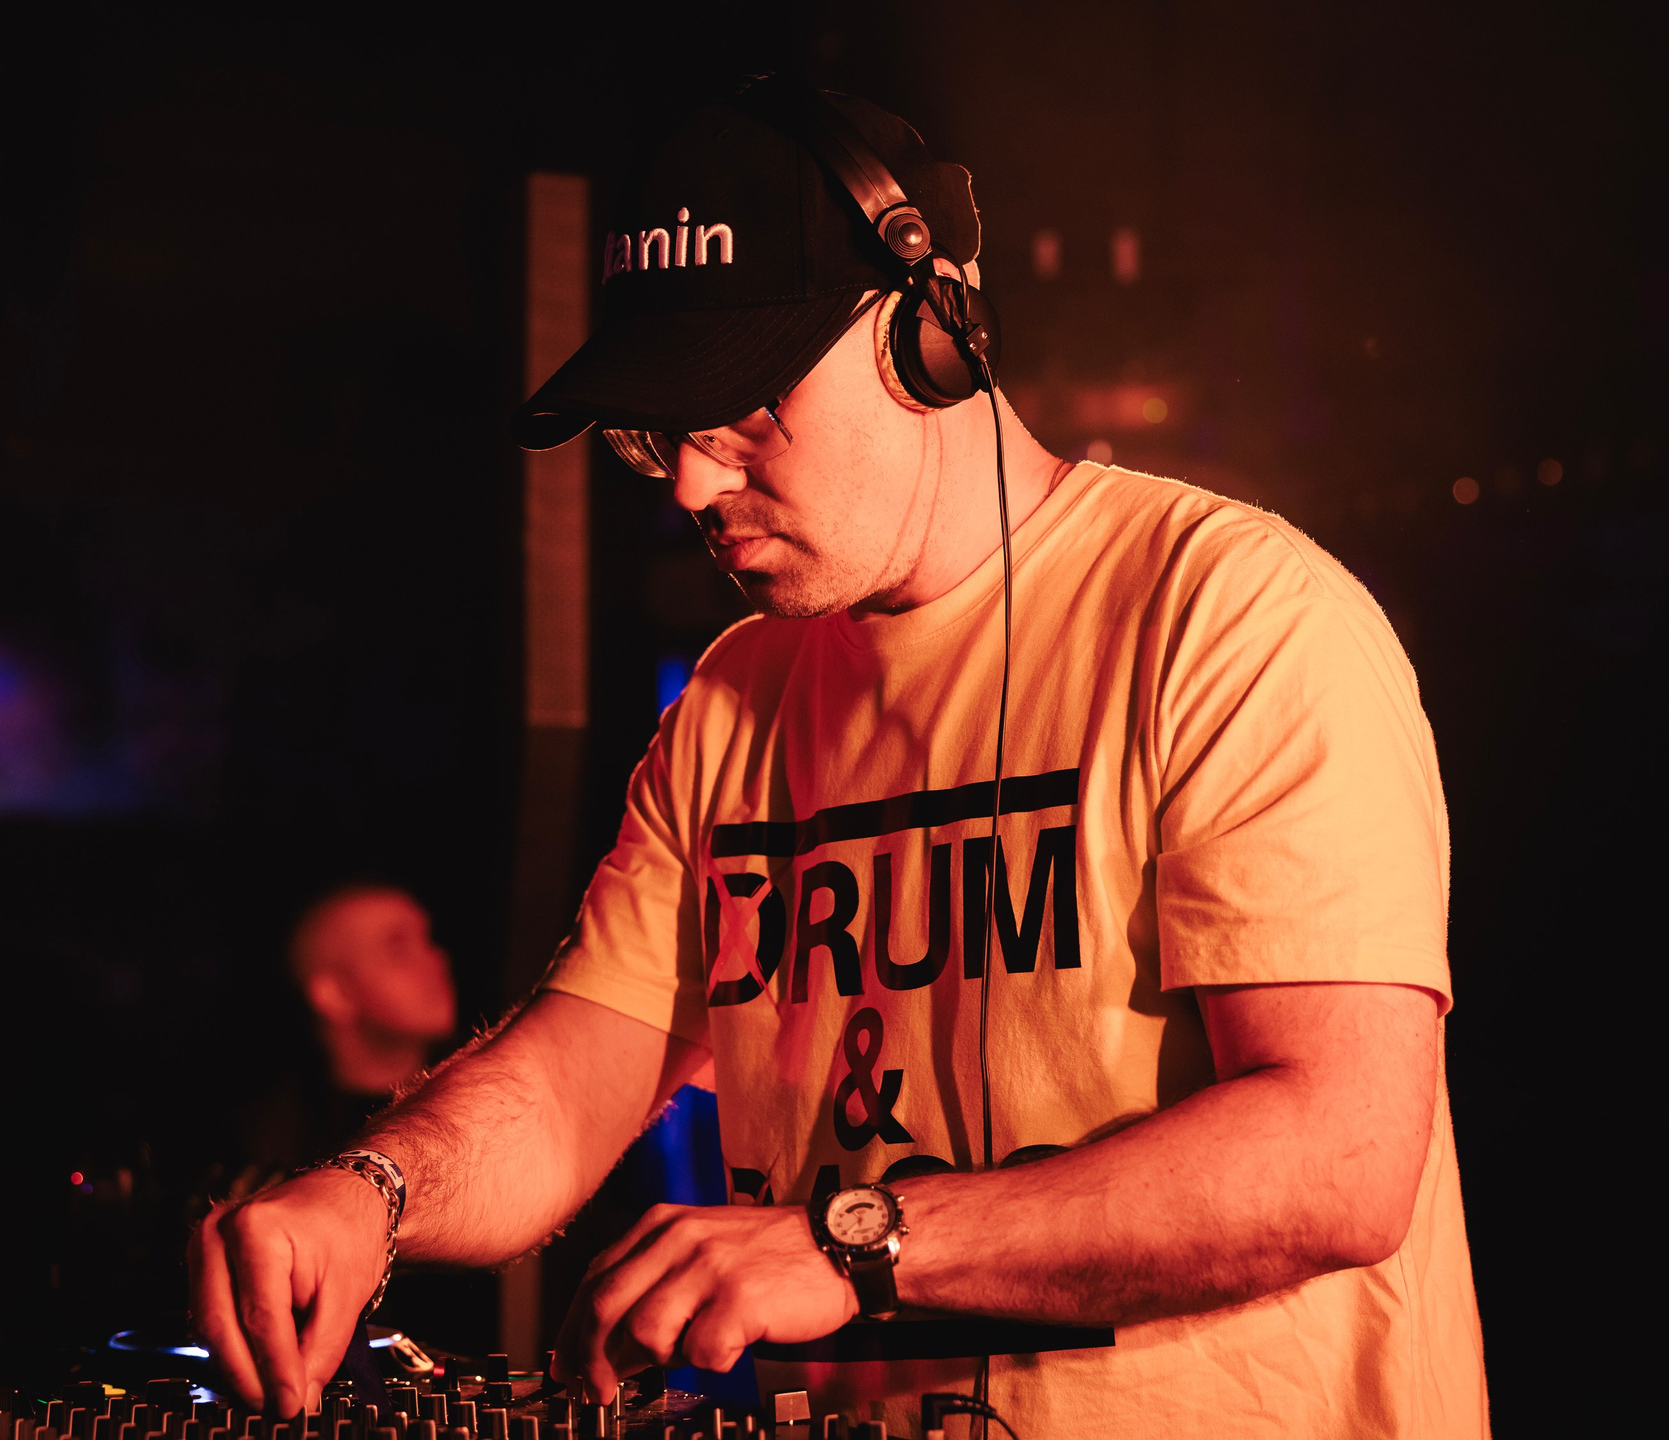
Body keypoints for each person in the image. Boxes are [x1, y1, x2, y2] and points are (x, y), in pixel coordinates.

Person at [190, 83, 1488, 1438]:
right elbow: (576, 1074)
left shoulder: (1231, 618)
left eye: (739, 412)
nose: (693, 485)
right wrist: (372, 1193)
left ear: (928, 336)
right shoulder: (735, 700)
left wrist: (857, 1242)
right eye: (658, 433)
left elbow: (1340, 1153)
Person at [290, 884, 459, 1099]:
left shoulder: (483, 1088)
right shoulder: (280, 1118)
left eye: (428, 940)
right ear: (335, 995)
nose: (437, 959)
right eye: (398, 950)